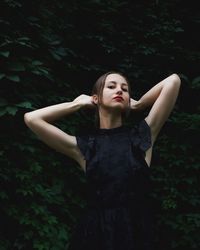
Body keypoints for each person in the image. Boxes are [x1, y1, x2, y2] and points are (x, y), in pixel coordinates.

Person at [24, 71, 181, 250]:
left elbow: (173, 81)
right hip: (95, 235)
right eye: (111, 86)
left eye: (125, 89)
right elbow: (32, 119)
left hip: (138, 232)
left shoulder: (143, 135)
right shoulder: (84, 146)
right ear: (96, 98)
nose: (119, 91)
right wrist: (77, 104)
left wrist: (138, 105)